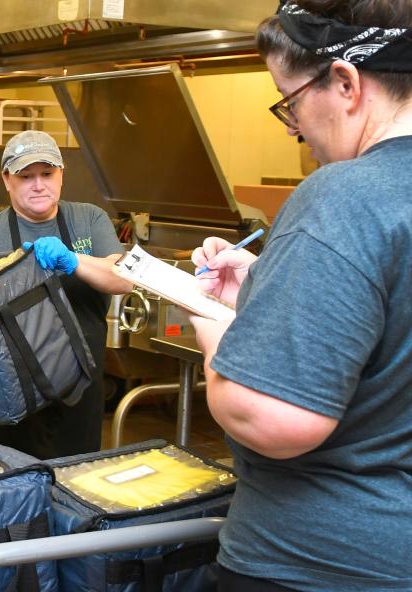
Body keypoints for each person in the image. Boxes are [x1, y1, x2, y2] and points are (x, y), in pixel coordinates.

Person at [189, 2, 412, 591]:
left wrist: (215, 323)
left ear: (345, 82)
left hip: (323, 564)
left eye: (289, 100)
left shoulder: (342, 198)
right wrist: (267, 293)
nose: (291, 125)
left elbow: (268, 417)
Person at [0, 130, 131, 459]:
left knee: (76, 471)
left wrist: (71, 260)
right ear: (6, 180)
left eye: (47, 174)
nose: (39, 185)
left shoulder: (88, 218)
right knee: (16, 477)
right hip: (16, 388)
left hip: (83, 381)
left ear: (61, 174)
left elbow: (123, 278)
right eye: (26, 176)